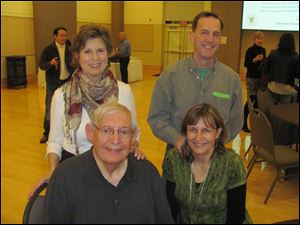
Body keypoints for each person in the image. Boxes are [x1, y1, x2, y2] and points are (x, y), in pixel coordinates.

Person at [29, 25, 143, 197]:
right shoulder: (62, 95)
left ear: (108, 54)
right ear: (77, 56)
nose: (95, 58)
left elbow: (134, 131)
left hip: (115, 171)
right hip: (75, 171)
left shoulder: (124, 91)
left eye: (100, 50)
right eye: (87, 51)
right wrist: (53, 170)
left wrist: (134, 145)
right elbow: (54, 141)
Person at [43, 102, 174, 224]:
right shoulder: (65, 177)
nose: (115, 140)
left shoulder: (148, 174)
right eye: (106, 130)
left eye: (124, 132)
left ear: (133, 138)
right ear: (91, 133)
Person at [147, 12, 243, 157]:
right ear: (192, 37)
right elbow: (156, 118)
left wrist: (216, 143)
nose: (210, 39)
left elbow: (235, 122)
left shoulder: (232, 80)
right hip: (177, 156)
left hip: (215, 158)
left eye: (216, 34)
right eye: (204, 33)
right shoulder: (169, 76)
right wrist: (178, 139)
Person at [162, 103, 252, 224]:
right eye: (193, 130)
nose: (198, 138)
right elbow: (170, 210)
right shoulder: (174, 160)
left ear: (217, 133)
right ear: (185, 132)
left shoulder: (232, 164)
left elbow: (236, 217)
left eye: (206, 130)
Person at [39, 26, 74, 144]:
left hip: (66, 81)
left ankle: (64, 132)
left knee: (66, 108)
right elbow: (41, 65)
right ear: (55, 36)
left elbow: (72, 64)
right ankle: (47, 133)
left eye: (65, 35)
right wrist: (50, 63)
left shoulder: (69, 49)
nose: (64, 37)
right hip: (53, 83)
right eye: (61, 35)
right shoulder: (48, 49)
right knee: (49, 108)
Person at [263, 33, 299, 104]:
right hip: (286, 90)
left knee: (271, 108)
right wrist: (297, 88)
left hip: (272, 87)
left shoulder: (273, 53)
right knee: (283, 111)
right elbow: (297, 76)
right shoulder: (295, 57)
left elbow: (265, 69)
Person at [242, 31, 266, 132]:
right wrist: (255, 59)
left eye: (262, 38)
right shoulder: (250, 50)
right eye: (258, 38)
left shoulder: (263, 50)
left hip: (260, 79)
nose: (260, 40)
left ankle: (255, 125)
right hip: (251, 78)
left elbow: (264, 64)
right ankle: (243, 124)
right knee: (251, 100)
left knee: (258, 101)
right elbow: (246, 64)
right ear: (254, 39)